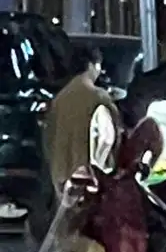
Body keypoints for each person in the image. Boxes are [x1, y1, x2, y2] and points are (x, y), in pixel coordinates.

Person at [44, 45, 120, 197]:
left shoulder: (59, 99)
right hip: (88, 178)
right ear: (90, 65)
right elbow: (110, 137)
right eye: (98, 65)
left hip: (60, 175)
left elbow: (48, 138)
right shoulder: (98, 96)